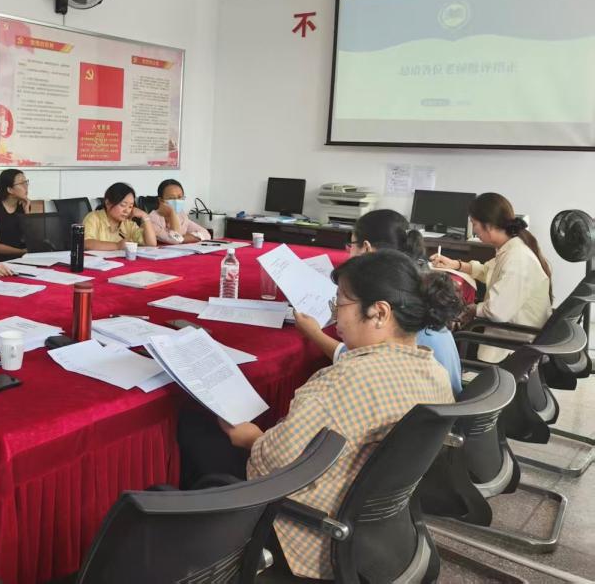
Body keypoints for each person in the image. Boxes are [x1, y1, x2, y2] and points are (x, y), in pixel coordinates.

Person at [181, 250, 458, 580]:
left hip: (313, 535)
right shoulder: (434, 371)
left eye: (340, 304)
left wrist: (252, 438)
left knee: (200, 431)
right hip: (377, 533)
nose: (335, 317)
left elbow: (274, 462)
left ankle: (206, 555)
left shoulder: (345, 380)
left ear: (379, 312)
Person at [293, 209, 463, 393]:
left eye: (351, 245)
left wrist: (315, 334)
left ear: (366, 248)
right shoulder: (409, 282)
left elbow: (365, 358)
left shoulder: (397, 299)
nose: (349, 252)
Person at [430, 192, 552, 362]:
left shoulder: (517, 259)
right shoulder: (511, 248)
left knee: (447, 341)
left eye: (474, 224)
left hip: (513, 344)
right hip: (510, 332)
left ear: (488, 225)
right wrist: (456, 265)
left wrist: (471, 309)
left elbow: (496, 311)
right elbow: (489, 271)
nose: (474, 230)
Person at [82, 182, 157, 251]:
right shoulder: (94, 218)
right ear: (108, 203)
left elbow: (151, 244)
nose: (127, 211)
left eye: (130, 207)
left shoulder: (128, 223)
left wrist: (145, 216)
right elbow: (86, 243)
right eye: (123, 205)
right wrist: (117, 246)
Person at [148, 179, 211, 245]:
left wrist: (182, 239)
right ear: (161, 200)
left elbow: (206, 234)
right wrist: (172, 213)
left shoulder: (182, 216)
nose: (176, 201)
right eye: (171, 198)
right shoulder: (152, 219)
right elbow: (175, 240)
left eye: (180, 197)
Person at [0, 169, 29, 261]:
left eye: (26, 182)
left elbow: (30, 237)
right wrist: (22, 252)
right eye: (22, 183)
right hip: (0, 260)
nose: (26, 186)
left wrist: (27, 212)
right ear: (10, 189)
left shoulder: (24, 205)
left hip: (23, 258)